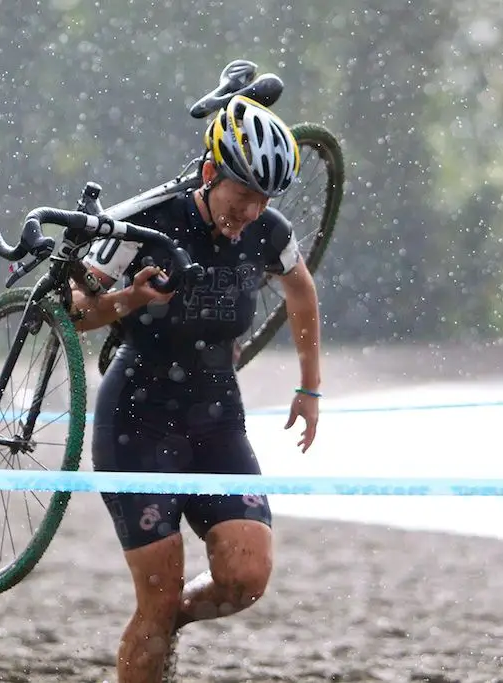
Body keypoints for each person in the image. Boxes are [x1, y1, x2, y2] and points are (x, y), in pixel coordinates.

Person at [69, 95, 323, 683]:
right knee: (154, 603)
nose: (253, 211)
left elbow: (301, 291)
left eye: (265, 199)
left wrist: (310, 389)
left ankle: (164, 623)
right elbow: (75, 313)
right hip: (136, 419)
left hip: (216, 421)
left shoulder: (269, 231)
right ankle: (155, 624)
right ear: (212, 174)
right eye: (243, 196)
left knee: (246, 579)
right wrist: (131, 298)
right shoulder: (150, 224)